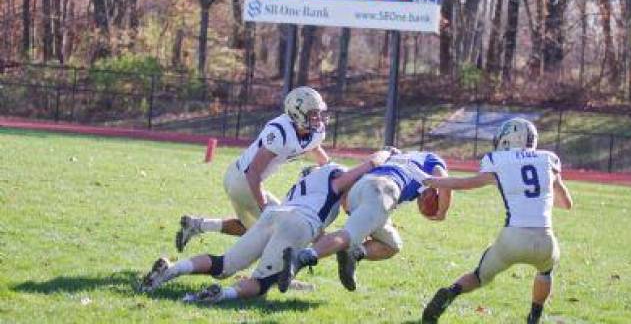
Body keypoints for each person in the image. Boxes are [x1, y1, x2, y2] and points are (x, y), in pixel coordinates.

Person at [140, 149, 394, 302]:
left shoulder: (302, 187)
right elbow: (369, 166)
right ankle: (222, 295)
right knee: (262, 283)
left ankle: (171, 270)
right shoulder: (334, 179)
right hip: (297, 223)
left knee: (223, 264)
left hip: (275, 213)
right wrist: (387, 153)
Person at [420, 118, 573, 324]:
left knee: (480, 276)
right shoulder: (549, 159)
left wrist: (432, 181)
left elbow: (467, 183)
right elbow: (566, 204)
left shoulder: (497, 160)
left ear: (510, 138)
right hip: (545, 240)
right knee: (545, 272)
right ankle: (534, 316)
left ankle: (451, 292)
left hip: (513, 238)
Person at [176, 86, 330, 252]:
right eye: (313, 113)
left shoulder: (313, 132)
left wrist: (330, 169)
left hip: (239, 176)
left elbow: (314, 148)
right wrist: (265, 208)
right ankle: (271, 273)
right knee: (284, 227)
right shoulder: (280, 132)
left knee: (250, 228)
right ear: (297, 113)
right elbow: (253, 173)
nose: (318, 118)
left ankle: (196, 225)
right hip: (243, 180)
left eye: (318, 112)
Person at [278, 150, 452, 293]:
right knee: (348, 235)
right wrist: (441, 212)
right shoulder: (430, 160)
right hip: (384, 189)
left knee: (392, 244)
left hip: (360, 190)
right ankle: (300, 258)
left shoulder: (397, 157)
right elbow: (444, 181)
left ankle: (353, 254)